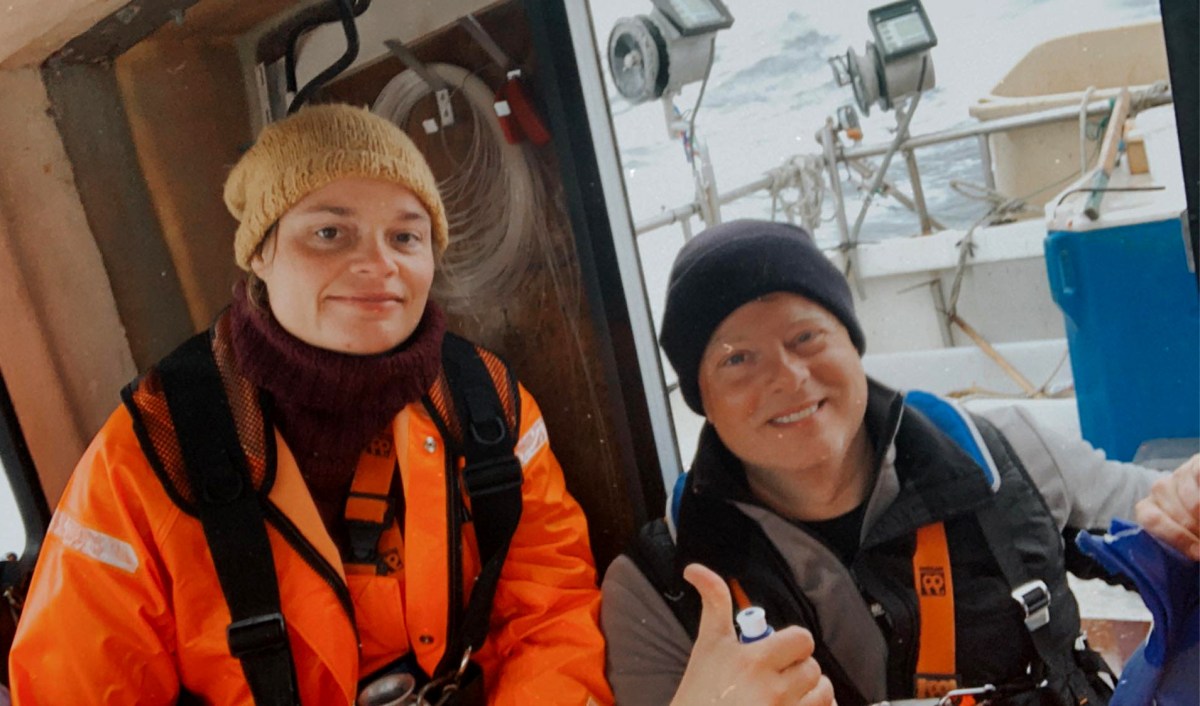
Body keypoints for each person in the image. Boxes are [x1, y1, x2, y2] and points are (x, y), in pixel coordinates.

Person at [8, 104, 612, 705]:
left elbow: (551, 613)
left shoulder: (486, 404)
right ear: (260, 253)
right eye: (330, 233)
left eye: (405, 236)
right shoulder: (145, 461)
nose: (379, 264)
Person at [601, 219, 1199, 706]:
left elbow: (1164, 512)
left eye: (806, 337)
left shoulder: (1003, 456)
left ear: (851, 343)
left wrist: (1187, 502)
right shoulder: (658, 589)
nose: (788, 377)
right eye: (737, 359)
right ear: (702, 398)